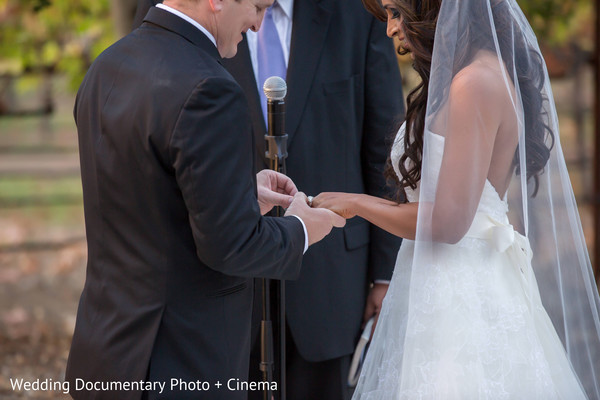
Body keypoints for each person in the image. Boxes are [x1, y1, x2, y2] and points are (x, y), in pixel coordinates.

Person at [313, 0, 600, 398]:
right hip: (434, 280)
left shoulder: (474, 83)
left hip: (459, 296)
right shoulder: (464, 77)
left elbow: (449, 222)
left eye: (397, 11)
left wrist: (357, 204)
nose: (390, 29)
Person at [65, 0, 346, 399]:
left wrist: (239, 191)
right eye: (257, 6)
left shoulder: (107, 66)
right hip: (177, 364)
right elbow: (231, 246)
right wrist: (301, 229)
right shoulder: (209, 88)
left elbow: (143, 190)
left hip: (105, 353)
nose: (257, 23)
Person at [132, 1, 405, 399]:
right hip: (219, 289)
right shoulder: (190, 9)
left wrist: (385, 275)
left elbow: (384, 144)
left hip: (332, 284)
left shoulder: (357, 11)